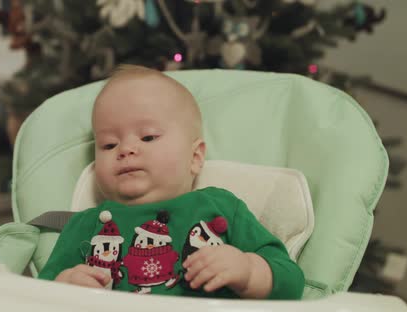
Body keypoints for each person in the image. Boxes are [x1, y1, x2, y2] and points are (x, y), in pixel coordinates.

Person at [38, 65, 304, 299]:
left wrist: (247, 270)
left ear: (195, 157)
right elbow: (34, 296)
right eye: (109, 144)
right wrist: (64, 286)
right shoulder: (84, 226)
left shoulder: (220, 207)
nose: (125, 149)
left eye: (148, 137)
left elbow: (291, 280)